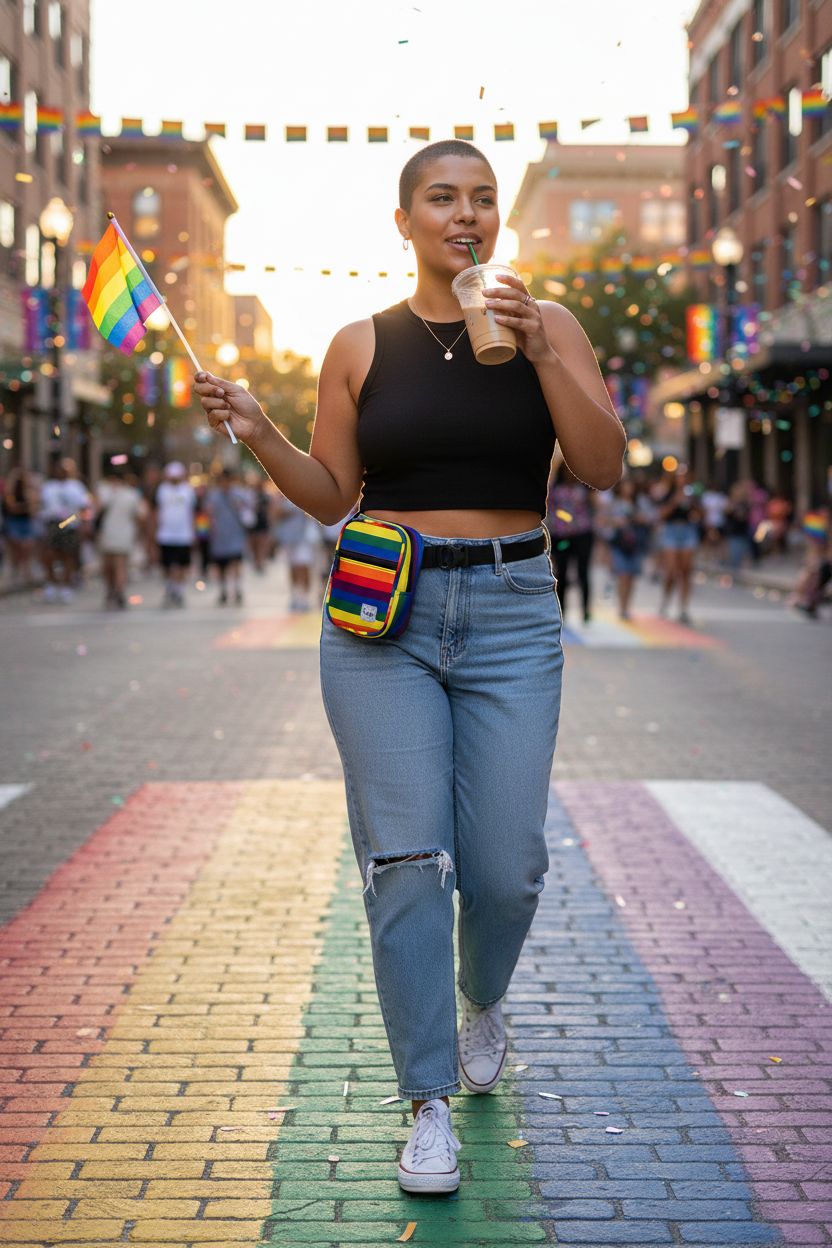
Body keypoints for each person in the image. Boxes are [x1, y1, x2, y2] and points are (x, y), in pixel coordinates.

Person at [195, 139, 625, 1195]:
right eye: (442, 199)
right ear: (405, 223)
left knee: (505, 868)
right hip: (382, 616)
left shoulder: (551, 326)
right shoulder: (358, 343)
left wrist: (543, 353)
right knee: (404, 862)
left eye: (482, 199)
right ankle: (426, 1100)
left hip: (515, 610)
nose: (465, 215)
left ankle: (483, 998)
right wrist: (259, 432)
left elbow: (602, 464)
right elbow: (330, 492)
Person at [546, 465, 597, 623]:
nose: (570, 474)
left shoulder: (584, 488)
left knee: (583, 572)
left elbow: (594, 507)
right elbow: (550, 509)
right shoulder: (555, 488)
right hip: (562, 537)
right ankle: (562, 610)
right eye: (566, 471)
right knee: (562, 572)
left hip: (582, 535)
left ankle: (586, 610)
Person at [38, 458, 91, 603]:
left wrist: (85, 524)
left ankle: (66, 586)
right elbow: (41, 506)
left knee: (68, 556)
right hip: (52, 523)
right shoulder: (49, 487)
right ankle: (52, 583)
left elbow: (84, 507)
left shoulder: (76, 487)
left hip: (70, 523)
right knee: (49, 555)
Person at [95, 466, 147, 608]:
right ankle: (118, 592)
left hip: (110, 534)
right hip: (123, 534)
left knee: (111, 566)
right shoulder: (131, 494)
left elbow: (96, 510)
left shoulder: (107, 493)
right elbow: (142, 515)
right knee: (119, 565)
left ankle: (113, 591)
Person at [656, 466, 701, 624]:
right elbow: (661, 515)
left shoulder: (692, 494)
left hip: (688, 530)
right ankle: (665, 602)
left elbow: (700, 514)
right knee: (671, 571)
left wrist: (694, 509)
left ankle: (683, 608)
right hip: (671, 531)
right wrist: (675, 501)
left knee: (686, 571)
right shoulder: (668, 493)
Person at [605, 477, 650, 620]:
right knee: (623, 574)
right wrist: (615, 522)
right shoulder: (614, 503)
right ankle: (622, 606)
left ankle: (627, 606)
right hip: (619, 543)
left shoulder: (641, 502)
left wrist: (637, 518)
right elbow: (604, 521)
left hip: (635, 543)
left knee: (631, 576)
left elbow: (649, 518)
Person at [153, 461, 195, 608]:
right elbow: (157, 511)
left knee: (182, 565)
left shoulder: (188, 490)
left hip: (184, 534)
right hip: (166, 534)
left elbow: (192, 512)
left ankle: (179, 590)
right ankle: (170, 588)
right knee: (167, 565)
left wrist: (194, 532)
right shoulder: (162, 490)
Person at [205, 468, 248, 605]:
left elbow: (248, 511)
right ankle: (223, 591)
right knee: (221, 566)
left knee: (236, 563)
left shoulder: (238, 494)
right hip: (219, 536)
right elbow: (207, 515)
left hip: (235, 534)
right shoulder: (213, 496)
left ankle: (237, 590)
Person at [1, 468, 38, 586]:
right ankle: (16, 571)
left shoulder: (28, 491)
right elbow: (12, 508)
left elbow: (33, 507)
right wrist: (24, 506)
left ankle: (26, 572)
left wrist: (24, 506)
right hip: (14, 522)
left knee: (27, 547)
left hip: (26, 522)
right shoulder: (11, 492)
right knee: (16, 549)